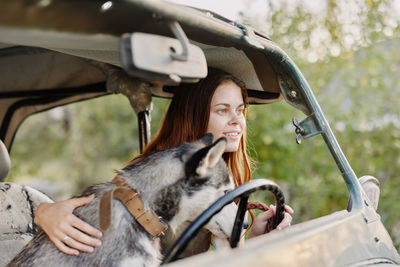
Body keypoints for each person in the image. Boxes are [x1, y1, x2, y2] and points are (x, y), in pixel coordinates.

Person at [34, 68, 293, 256]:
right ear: (194, 116)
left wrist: (256, 238)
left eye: (240, 110)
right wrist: (43, 212)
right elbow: (103, 222)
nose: (237, 120)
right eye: (222, 110)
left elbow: (225, 258)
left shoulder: (222, 174)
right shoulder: (152, 181)